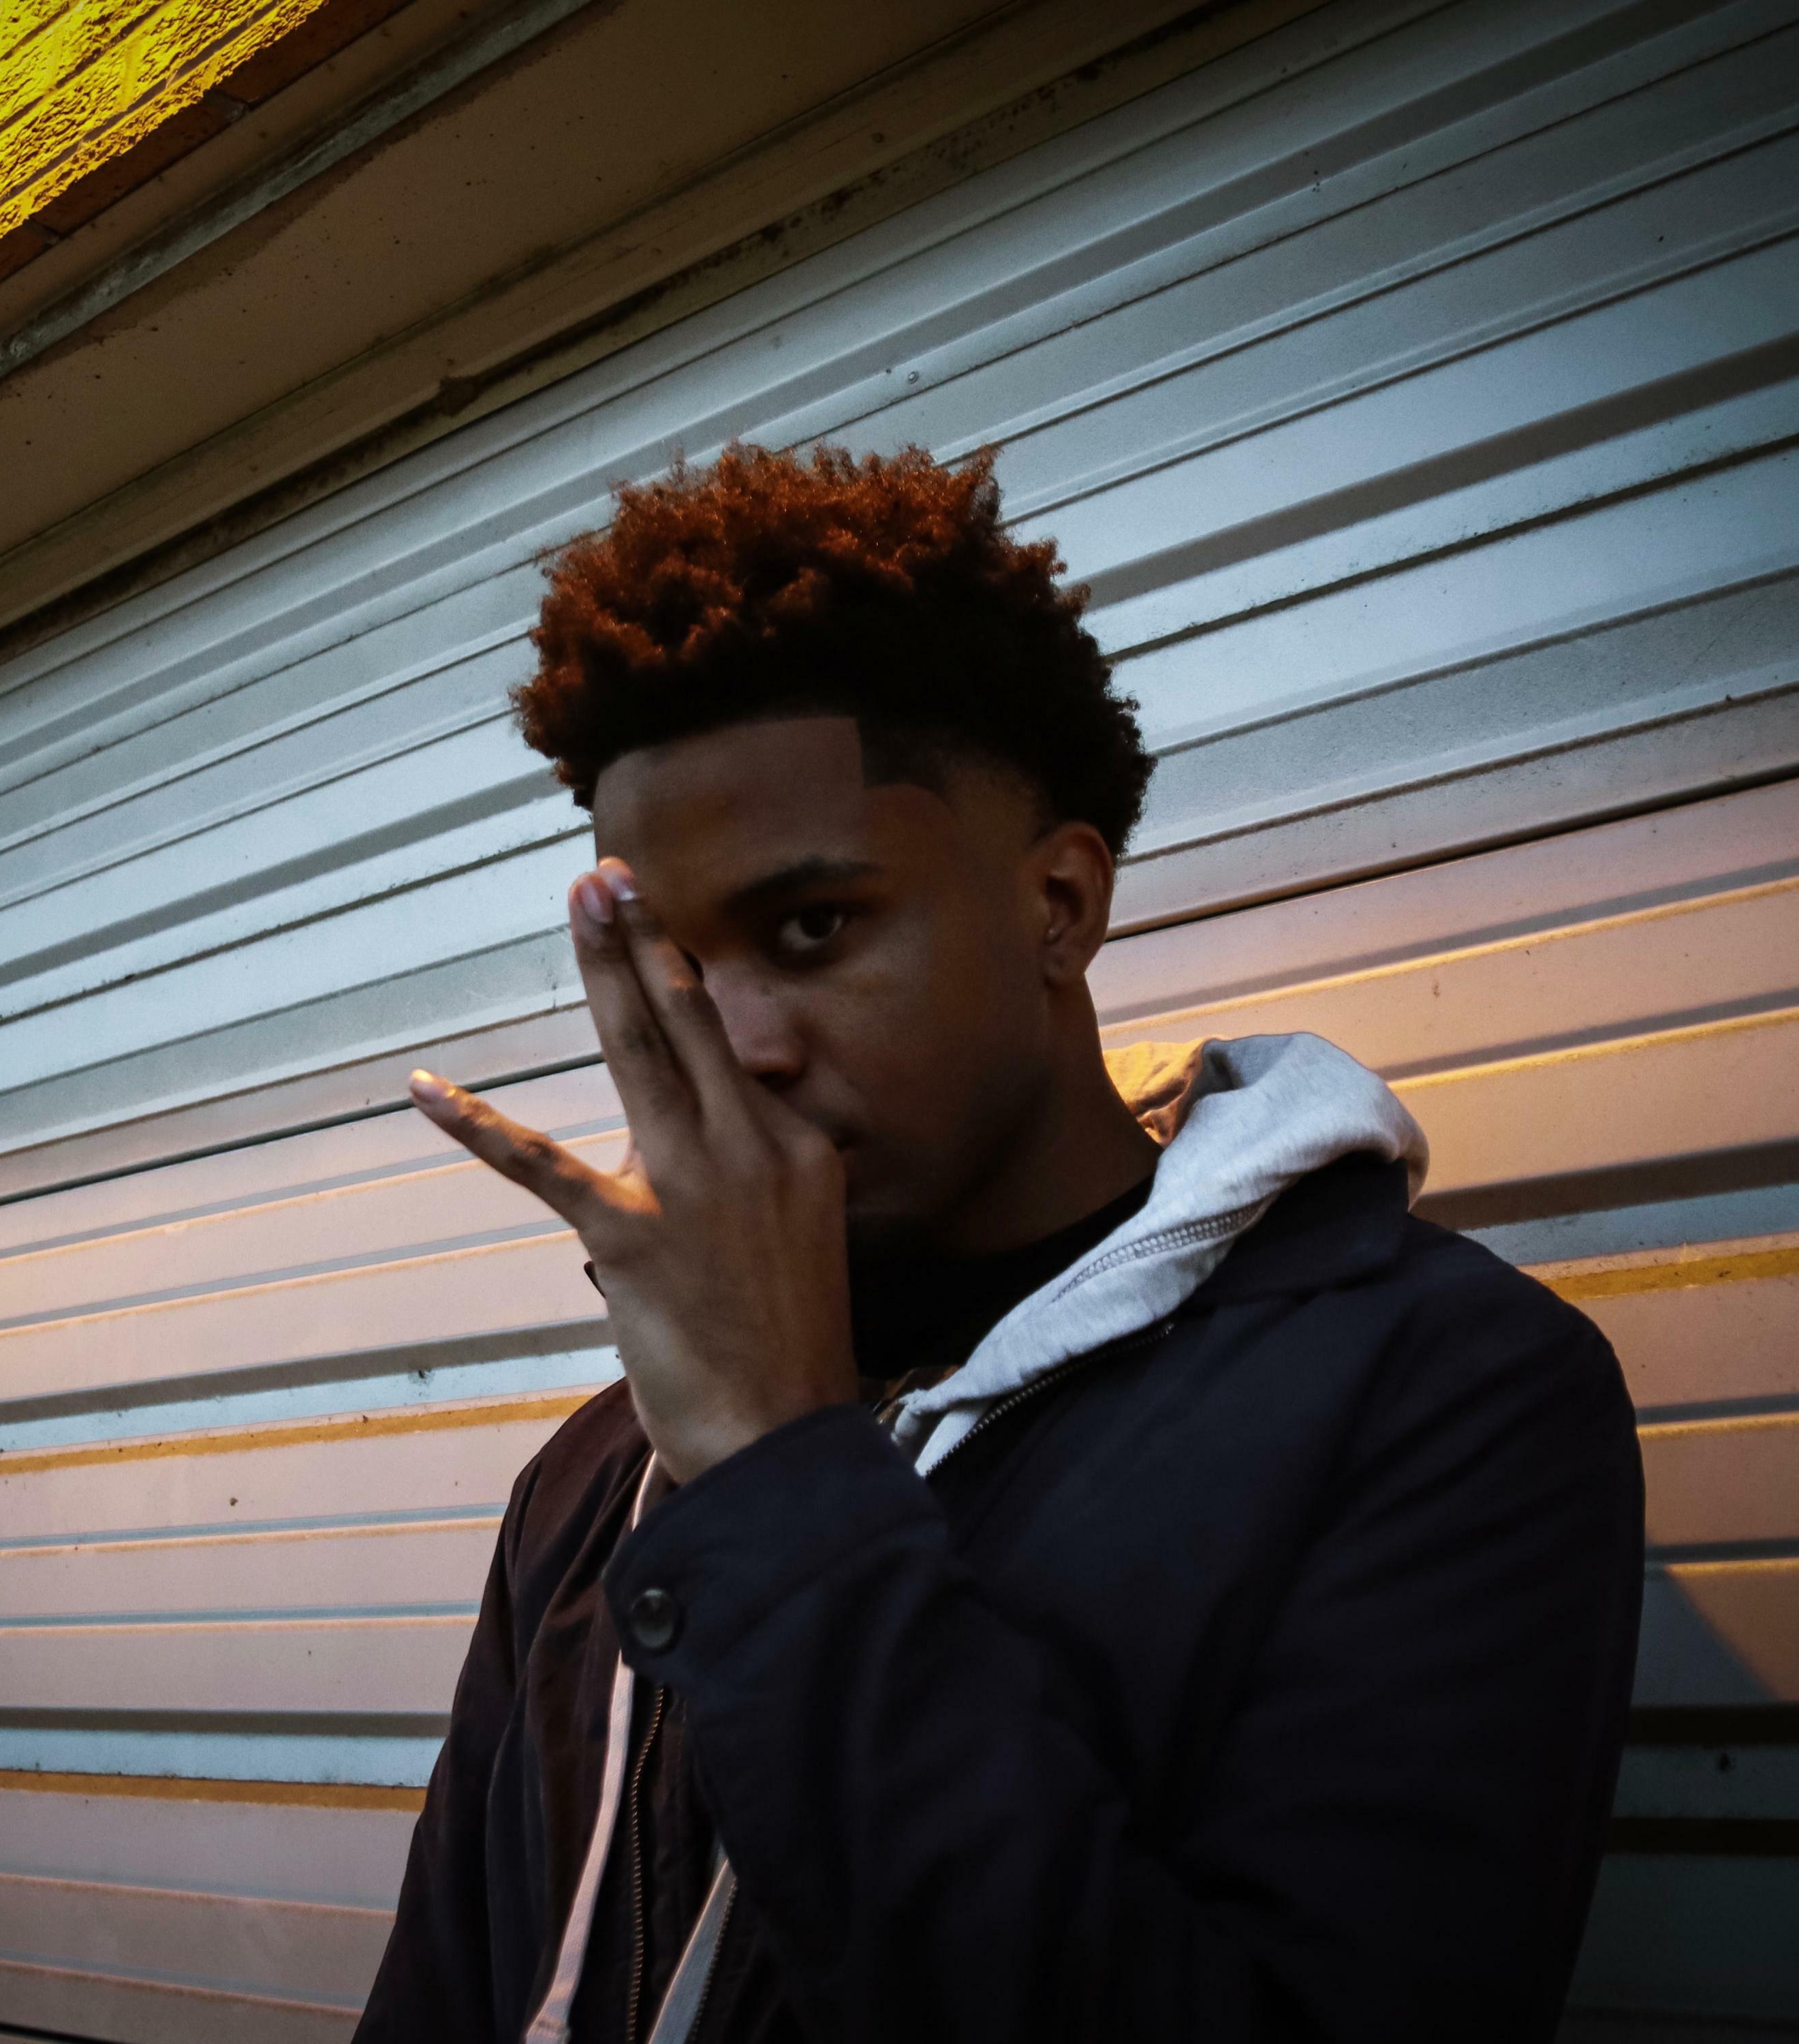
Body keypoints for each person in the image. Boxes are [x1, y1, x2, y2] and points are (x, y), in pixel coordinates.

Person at [353, 444, 1644, 2043]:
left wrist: (777, 1478)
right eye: (675, 968)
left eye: (813, 927)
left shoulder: (1441, 1391)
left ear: (1059, 904)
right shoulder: (596, 1473)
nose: (739, 1045)